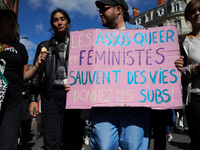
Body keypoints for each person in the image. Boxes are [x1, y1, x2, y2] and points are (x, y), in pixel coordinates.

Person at [90, 1, 150, 150]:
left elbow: (155, 64)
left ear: (118, 10)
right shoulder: (95, 39)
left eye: (104, 9)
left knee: (133, 146)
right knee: (103, 146)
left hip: (135, 105)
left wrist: (173, 63)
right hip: (104, 105)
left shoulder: (140, 32)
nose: (100, 13)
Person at [29, 8, 85, 150]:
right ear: (52, 25)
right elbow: (36, 74)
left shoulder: (79, 44)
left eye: (62, 19)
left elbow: (86, 72)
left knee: (73, 138)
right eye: (55, 20)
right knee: (51, 139)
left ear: (68, 22)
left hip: (72, 95)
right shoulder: (44, 46)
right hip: (50, 95)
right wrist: (33, 99)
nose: (59, 22)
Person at [0, 9, 49, 150]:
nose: (12, 22)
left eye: (14, 19)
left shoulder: (19, 48)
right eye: (8, 18)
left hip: (12, 100)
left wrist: (38, 64)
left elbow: (25, 76)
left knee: (8, 141)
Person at [174, 0, 200, 149]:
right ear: (187, 17)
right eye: (192, 11)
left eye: (199, 9)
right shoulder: (183, 43)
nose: (197, 13)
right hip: (196, 98)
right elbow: (180, 73)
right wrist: (196, 69)